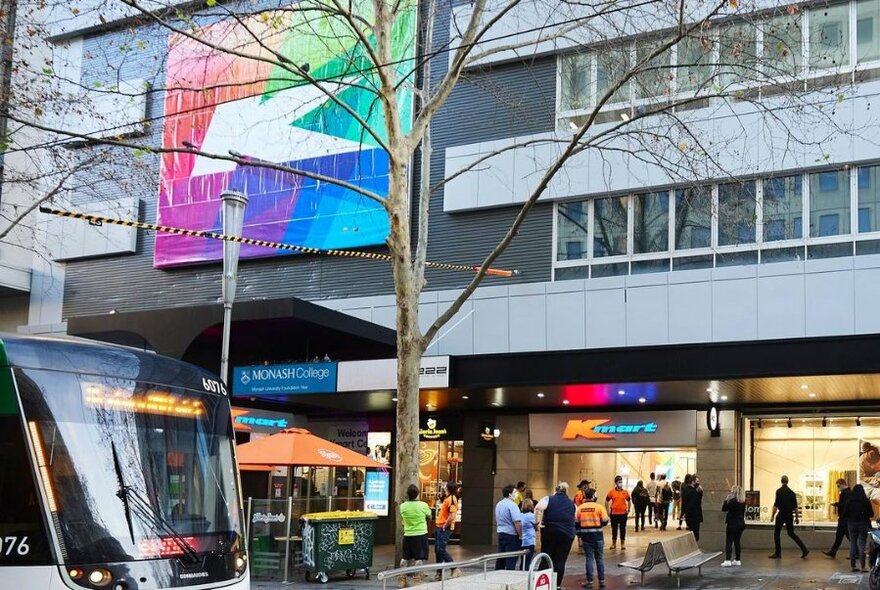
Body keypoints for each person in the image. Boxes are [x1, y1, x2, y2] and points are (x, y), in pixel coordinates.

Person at [536, 482, 577, 590]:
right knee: (560, 560)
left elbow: (538, 508)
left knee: (545, 557)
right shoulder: (572, 503)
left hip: (550, 531)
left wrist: (537, 523)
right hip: (567, 534)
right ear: (566, 491)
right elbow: (575, 517)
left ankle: (541, 585)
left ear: (556, 490)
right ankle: (557, 585)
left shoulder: (548, 499)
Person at [768, 475, 809, 559]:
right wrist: (797, 518)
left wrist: (772, 515)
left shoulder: (779, 491)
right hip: (790, 515)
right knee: (791, 533)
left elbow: (776, 505)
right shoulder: (792, 493)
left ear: (781, 481)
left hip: (781, 514)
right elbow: (796, 507)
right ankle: (804, 549)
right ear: (787, 481)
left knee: (777, 533)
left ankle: (778, 553)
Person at [399, 484, 431, 588]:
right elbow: (429, 516)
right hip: (420, 534)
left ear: (407, 494)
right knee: (419, 558)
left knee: (405, 557)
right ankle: (417, 580)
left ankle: (402, 579)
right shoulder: (423, 505)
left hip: (408, 534)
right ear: (418, 494)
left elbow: (403, 518)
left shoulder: (402, 506)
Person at [577, 488, 610, 589]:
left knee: (589, 559)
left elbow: (576, 524)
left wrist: (580, 534)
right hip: (598, 537)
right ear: (592, 496)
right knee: (599, 559)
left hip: (586, 538)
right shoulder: (599, 507)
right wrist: (598, 524)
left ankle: (589, 581)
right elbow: (605, 520)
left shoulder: (580, 508)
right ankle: (602, 581)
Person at [434, 481, 461, 580]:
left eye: (446, 487)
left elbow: (452, 515)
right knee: (438, 550)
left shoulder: (452, 499)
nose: (444, 489)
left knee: (441, 549)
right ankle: (439, 572)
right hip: (439, 526)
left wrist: (445, 525)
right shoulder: (447, 498)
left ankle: (454, 568)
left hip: (444, 527)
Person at [844, 483, 873, 572]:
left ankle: (853, 566)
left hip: (852, 524)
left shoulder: (849, 501)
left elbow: (845, 514)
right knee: (862, 545)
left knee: (853, 544)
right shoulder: (866, 501)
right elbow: (871, 514)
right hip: (863, 524)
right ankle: (863, 567)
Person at [495, 484, 523, 570]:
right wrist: (521, 535)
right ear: (510, 494)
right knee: (511, 559)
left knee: (501, 558)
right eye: (515, 492)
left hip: (501, 533)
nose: (517, 494)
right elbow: (517, 522)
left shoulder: (499, 504)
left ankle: (498, 576)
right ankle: (509, 577)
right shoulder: (513, 505)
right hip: (511, 535)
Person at [824, 479, 852, 558]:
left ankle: (856, 552)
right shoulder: (848, 493)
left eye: (838, 486)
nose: (838, 487)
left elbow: (844, 505)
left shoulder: (845, 493)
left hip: (844, 519)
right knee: (840, 536)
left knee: (845, 536)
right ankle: (833, 552)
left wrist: (836, 504)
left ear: (843, 484)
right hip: (845, 518)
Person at [721, 485, 746, 567]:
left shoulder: (732, 501)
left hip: (732, 523)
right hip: (741, 524)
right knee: (737, 541)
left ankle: (728, 560)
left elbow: (724, 509)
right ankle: (737, 560)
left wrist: (726, 500)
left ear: (733, 492)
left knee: (729, 541)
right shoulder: (743, 502)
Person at [605, 475, 631, 550]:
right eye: (619, 482)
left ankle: (622, 544)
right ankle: (614, 543)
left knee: (623, 528)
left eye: (621, 482)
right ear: (616, 483)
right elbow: (606, 501)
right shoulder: (611, 492)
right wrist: (607, 511)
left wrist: (628, 509)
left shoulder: (625, 492)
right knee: (614, 529)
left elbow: (629, 501)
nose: (621, 483)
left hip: (623, 514)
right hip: (614, 514)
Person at [680, 474, 704, 541]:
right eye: (697, 481)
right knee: (695, 535)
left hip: (691, 517)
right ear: (693, 482)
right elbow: (695, 503)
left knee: (694, 534)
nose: (698, 483)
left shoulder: (689, 490)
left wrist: (700, 492)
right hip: (693, 517)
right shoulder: (692, 492)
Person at [520, 498, 537, 568]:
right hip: (529, 541)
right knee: (528, 562)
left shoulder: (519, 515)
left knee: (522, 561)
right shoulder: (531, 516)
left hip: (521, 541)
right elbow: (537, 527)